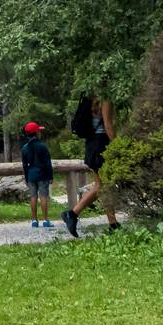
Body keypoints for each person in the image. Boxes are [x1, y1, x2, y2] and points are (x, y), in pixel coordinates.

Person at [62, 95, 119, 238]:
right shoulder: (105, 99)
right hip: (101, 144)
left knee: (102, 186)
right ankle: (72, 213)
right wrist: (119, 147)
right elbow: (108, 125)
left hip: (91, 143)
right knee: (102, 186)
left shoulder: (90, 98)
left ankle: (113, 224)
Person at [20, 122, 54, 228]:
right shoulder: (42, 147)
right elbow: (48, 163)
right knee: (43, 196)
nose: (40, 132)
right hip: (42, 175)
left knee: (33, 197)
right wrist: (50, 176)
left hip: (30, 175)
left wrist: (26, 177)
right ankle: (45, 220)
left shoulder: (24, 148)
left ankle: (34, 220)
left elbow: (24, 165)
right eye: (39, 131)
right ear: (36, 133)